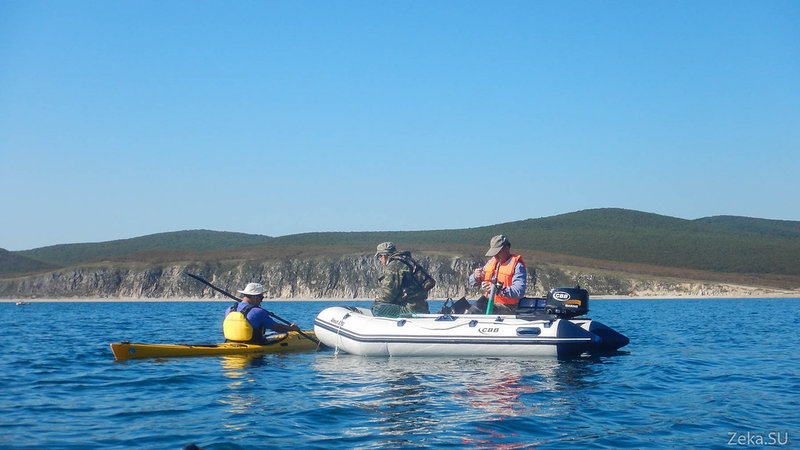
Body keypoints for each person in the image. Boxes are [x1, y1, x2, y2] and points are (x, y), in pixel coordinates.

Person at [223, 282, 299, 344]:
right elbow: (277, 328)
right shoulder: (258, 312)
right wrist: (292, 328)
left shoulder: (229, 309)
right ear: (255, 297)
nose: (261, 301)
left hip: (230, 343)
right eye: (261, 297)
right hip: (253, 349)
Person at [468, 234, 527, 315]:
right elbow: (472, 282)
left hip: (508, 306)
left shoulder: (517, 266)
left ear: (506, 248)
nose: (495, 256)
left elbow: (519, 291)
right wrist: (475, 277)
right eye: (493, 253)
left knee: (477, 310)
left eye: (497, 252)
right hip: (488, 302)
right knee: (466, 309)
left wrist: (497, 289)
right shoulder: (492, 262)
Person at [371, 242, 431, 317]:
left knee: (376, 308)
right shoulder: (408, 261)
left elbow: (388, 293)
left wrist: (377, 301)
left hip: (409, 309)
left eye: (379, 257)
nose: (380, 259)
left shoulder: (394, 266)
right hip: (422, 307)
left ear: (383, 256)